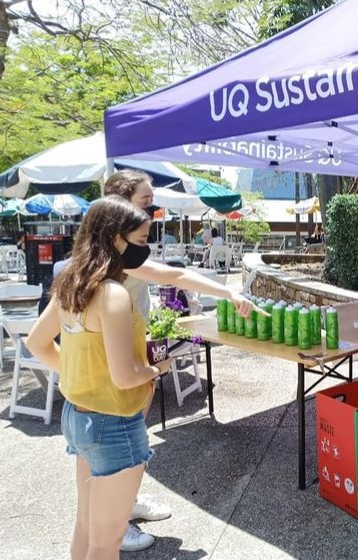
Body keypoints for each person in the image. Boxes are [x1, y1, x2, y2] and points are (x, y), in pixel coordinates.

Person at [102, 170, 255, 551]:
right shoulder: (115, 255)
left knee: (135, 436)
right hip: (117, 355)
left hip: (136, 344)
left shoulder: (129, 246)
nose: (153, 212)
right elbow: (173, 273)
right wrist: (226, 291)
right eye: (145, 203)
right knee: (121, 444)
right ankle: (115, 524)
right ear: (120, 207)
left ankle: (128, 503)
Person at [26, 196, 176, 559]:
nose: (146, 249)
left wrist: (82, 374)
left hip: (78, 418)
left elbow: (37, 343)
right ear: (115, 238)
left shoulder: (72, 283)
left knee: (87, 527)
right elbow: (126, 377)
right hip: (115, 426)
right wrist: (157, 369)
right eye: (140, 241)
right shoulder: (113, 294)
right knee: (106, 543)